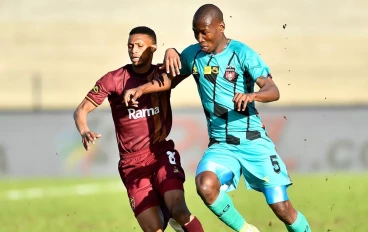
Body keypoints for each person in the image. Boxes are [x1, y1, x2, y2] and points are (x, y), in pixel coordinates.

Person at [123, 4, 312, 232]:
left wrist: (253, 95)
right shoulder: (193, 55)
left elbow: (273, 90)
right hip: (222, 146)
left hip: (253, 141)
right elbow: (169, 80)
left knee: (282, 208)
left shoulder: (242, 53)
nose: (200, 38)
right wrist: (144, 86)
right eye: (196, 32)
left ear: (221, 27)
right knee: (205, 185)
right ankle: (246, 230)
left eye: (205, 32)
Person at [73, 26, 204, 232]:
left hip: (160, 152)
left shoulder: (163, 75)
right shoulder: (114, 79)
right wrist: (84, 130)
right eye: (130, 46)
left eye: (140, 46)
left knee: (179, 210)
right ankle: (164, 211)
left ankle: (170, 210)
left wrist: (172, 50)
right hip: (131, 163)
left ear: (153, 49)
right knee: (154, 229)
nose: (133, 50)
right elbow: (81, 110)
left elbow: (189, 61)